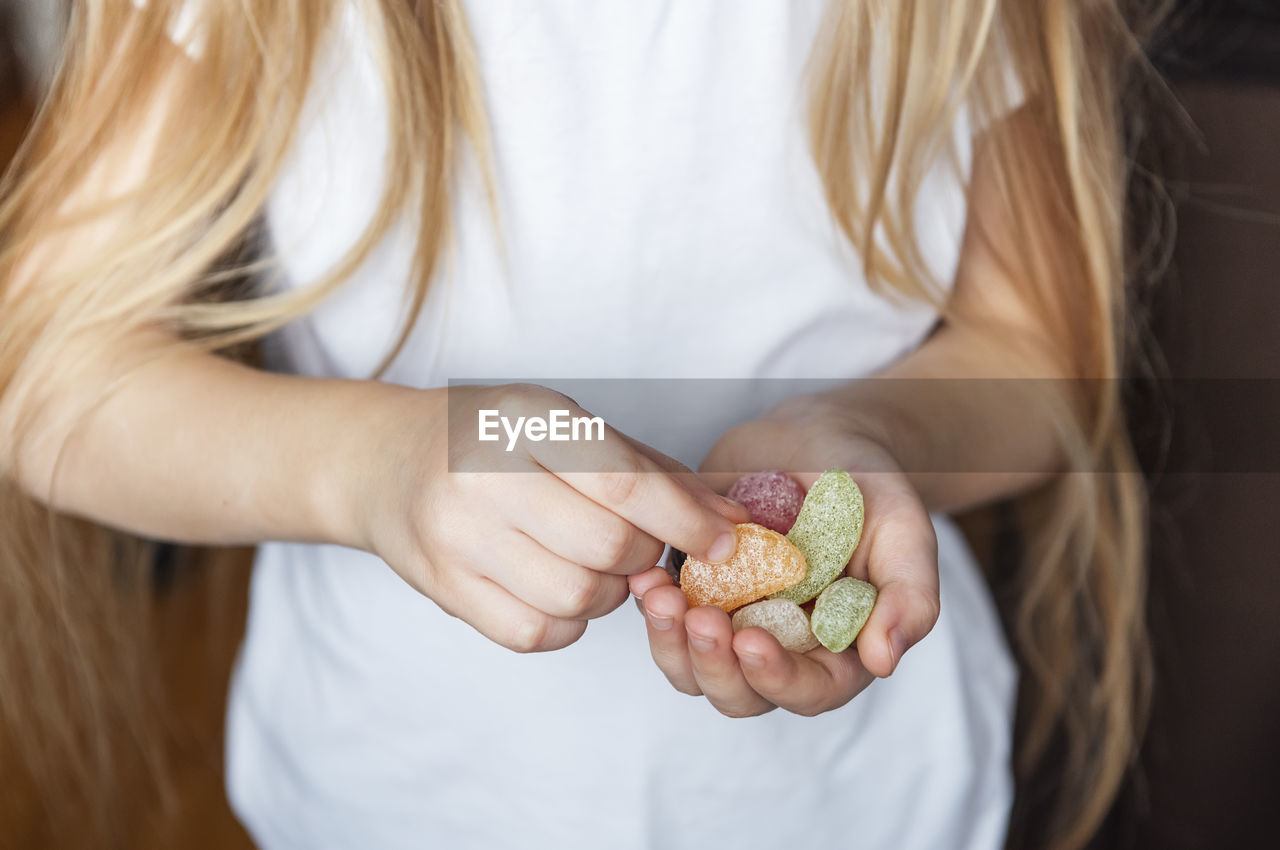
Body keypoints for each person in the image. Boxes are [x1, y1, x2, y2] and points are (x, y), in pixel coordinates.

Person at [0, 1, 1158, 848]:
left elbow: (1040, 352)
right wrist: (377, 465)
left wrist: (872, 430)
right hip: (388, 792)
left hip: (872, 799)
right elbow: (47, 377)